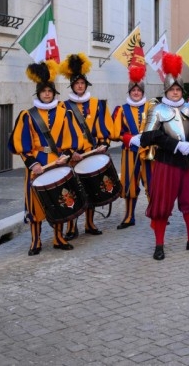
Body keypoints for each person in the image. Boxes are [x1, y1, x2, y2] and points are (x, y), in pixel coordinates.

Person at [138, 53, 189, 260]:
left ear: (182, 90)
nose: (175, 92)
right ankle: (159, 245)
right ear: (166, 90)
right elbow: (147, 137)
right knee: (162, 205)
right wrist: (175, 145)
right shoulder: (157, 110)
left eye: (178, 89)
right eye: (172, 89)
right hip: (166, 164)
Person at [9, 59, 75, 255]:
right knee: (35, 202)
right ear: (38, 93)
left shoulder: (64, 114)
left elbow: (71, 140)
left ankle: (58, 237)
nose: (47, 94)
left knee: (60, 199)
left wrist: (66, 155)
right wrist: (32, 164)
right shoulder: (27, 115)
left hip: (58, 162)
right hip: (38, 163)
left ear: (54, 93)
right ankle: (35, 240)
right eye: (44, 91)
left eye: (50, 91)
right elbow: (21, 145)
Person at [60, 53, 112, 240]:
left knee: (91, 189)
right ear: (72, 85)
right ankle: (71, 227)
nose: (80, 86)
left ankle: (90, 223)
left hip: (91, 153)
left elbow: (104, 128)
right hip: (73, 155)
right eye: (77, 83)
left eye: (82, 83)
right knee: (73, 190)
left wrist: (103, 144)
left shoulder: (97, 104)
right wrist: (69, 152)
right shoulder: (63, 107)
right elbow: (60, 133)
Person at [111, 64, 153, 229]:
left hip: (148, 152)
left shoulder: (151, 107)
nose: (136, 93)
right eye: (133, 90)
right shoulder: (121, 110)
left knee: (152, 183)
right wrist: (130, 139)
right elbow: (115, 132)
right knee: (129, 183)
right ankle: (129, 216)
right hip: (130, 152)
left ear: (143, 92)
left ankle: (156, 213)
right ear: (129, 92)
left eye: (139, 90)